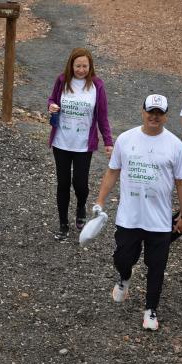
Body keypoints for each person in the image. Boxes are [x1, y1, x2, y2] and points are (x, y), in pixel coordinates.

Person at [93, 94, 182, 331]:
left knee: (156, 266)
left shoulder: (175, 145)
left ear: (166, 115)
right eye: (150, 112)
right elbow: (113, 171)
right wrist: (100, 201)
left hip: (158, 220)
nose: (154, 117)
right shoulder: (126, 139)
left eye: (159, 113)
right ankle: (124, 278)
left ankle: (151, 309)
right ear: (142, 112)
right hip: (129, 217)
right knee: (123, 258)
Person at [47, 47, 114, 241]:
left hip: (84, 144)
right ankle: (63, 224)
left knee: (80, 184)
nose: (81, 70)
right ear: (71, 65)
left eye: (85, 66)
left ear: (90, 66)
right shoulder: (62, 81)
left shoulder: (97, 86)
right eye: (78, 66)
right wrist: (51, 106)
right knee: (63, 183)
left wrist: (108, 142)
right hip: (61, 141)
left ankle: (81, 206)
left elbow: (102, 116)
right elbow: (52, 99)